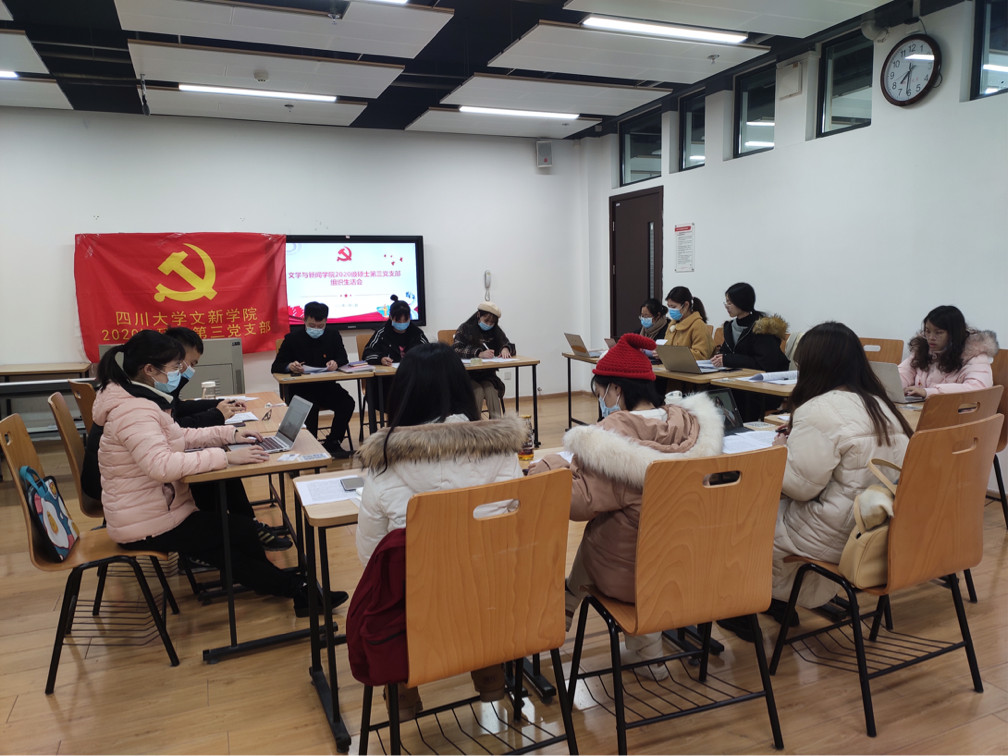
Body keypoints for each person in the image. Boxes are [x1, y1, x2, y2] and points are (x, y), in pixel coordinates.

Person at [91, 330, 346, 617]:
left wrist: (230, 435)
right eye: (175, 367)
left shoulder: (140, 401)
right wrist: (225, 457)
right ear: (149, 370)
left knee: (238, 537)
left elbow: (181, 436)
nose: (179, 373)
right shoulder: (134, 411)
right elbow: (161, 466)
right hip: (146, 523)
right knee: (237, 537)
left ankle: (293, 589)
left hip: (154, 512)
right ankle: (297, 589)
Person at [528, 334, 724, 680]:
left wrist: (548, 465)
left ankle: (574, 624)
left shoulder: (614, 441)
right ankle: (569, 609)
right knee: (622, 525)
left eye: (600, 392)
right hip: (689, 563)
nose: (601, 400)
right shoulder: (689, 423)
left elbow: (577, 503)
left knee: (600, 532)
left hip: (633, 575)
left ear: (616, 390)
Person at [355, 342, 527, 715]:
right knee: (478, 571)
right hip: (495, 595)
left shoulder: (384, 461)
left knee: (389, 585)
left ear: (404, 394)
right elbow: (517, 521)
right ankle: (489, 672)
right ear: (462, 387)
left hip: (418, 607)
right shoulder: (502, 449)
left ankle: (404, 690)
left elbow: (370, 555)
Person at [721, 322, 912, 642]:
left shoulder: (818, 410)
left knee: (735, 516)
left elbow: (799, 487)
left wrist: (780, 451)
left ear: (811, 364)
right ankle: (778, 599)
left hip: (831, 534)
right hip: (876, 530)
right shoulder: (882, 405)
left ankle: (742, 606)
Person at [166, 326, 291, 552]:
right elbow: (173, 428)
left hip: (169, 457)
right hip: (162, 475)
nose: (189, 371)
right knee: (220, 466)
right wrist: (216, 416)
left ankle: (247, 527)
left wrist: (219, 405)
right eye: (189, 364)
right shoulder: (148, 392)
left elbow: (178, 408)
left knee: (224, 460)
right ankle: (229, 537)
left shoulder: (163, 384)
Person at [271, 301, 356, 458]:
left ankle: (333, 442)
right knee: (309, 406)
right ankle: (311, 446)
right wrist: (290, 366)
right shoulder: (292, 338)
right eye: (312, 325)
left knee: (347, 403)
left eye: (320, 326)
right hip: (302, 388)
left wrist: (336, 363)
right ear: (304, 320)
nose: (316, 329)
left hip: (326, 387)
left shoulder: (333, 335)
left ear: (326, 322)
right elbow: (276, 366)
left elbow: (343, 358)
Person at [360, 295, 428, 431]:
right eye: (398, 320)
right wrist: (380, 358)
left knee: (425, 397)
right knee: (401, 401)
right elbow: (367, 354)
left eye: (405, 320)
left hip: (411, 382)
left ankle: (416, 433)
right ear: (391, 317)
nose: (402, 323)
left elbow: (428, 353)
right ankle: (398, 434)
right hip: (386, 385)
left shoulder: (417, 333)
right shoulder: (382, 333)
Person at [899, 305, 998, 397]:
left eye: (938, 333)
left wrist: (928, 392)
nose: (931, 337)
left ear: (953, 334)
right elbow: (902, 375)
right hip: (926, 407)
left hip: (958, 409)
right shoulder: (923, 350)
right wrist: (893, 387)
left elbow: (977, 389)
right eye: (927, 331)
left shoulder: (975, 356)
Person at [452, 301, 515, 419]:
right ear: (478, 315)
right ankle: (474, 424)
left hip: (488, 375)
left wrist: (506, 348)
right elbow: (456, 349)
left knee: (491, 390)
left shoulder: (496, 331)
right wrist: (478, 353)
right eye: (486, 321)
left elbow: (508, 344)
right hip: (467, 376)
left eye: (492, 323)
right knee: (478, 390)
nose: (489, 324)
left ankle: (497, 425)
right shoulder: (465, 328)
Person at [663, 286, 713, 360]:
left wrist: (671, 354)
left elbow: (701, 355)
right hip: (673, 364)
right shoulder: (673, 324)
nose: (670, 310)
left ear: (686, 305)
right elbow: (666, 347)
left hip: (691, 366)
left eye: (673, 307)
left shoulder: (698, 325)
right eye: (669, 306)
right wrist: (661, 353)